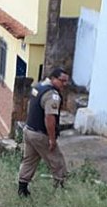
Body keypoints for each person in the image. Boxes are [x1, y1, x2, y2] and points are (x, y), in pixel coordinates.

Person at [18, 68, 71, 197]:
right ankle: (61, 191)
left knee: (29, 160)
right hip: (40, 134)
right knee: (57, 162)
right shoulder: (52, 95)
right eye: (62, 81)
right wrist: (52, 139)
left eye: (66, 82)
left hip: (29, 130)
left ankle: (22, 189)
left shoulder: (38, 87)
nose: (64, 84)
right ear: (53, 78)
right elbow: (50, 118)